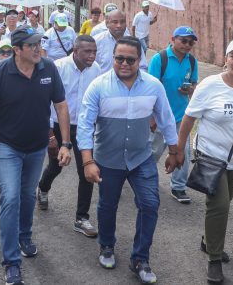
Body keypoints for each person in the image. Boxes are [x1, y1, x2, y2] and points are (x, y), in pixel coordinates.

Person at [77, 36, 177, 284]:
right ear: (113, 58)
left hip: (140, 159)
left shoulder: (153, 86)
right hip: (107, 160)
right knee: (108, 205)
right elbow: (85, 125)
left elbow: (166, 118)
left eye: (130, 59)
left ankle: (140, 259)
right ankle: (107, 246)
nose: (124, 63)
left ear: (140, 60)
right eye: (119, 58)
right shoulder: (99, 86)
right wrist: (88, 162)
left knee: (150, 204)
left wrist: (175, 151)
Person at [0, 25, 72, 285]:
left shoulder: (48, 68)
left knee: (28, 195)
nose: (37, 49)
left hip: (37, 146)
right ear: (16, 50)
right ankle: (11, 262)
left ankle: (25, 235)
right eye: (31, 45)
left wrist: (66, 143)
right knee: (10, 198)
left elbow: (61, 106)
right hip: (6, 146)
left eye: (39, 44)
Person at [174, 38, 233, 284]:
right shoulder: (209, 85)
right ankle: (214, 259)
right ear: (225, 59)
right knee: (220, 207)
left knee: (224, 203)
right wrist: (178, 150)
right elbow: (188, 119)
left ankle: (209, 241)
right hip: (210, 156)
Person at [37, 35, 101, 237]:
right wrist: (50, 135)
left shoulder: (96, 70)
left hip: (84, 127)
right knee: (56, 166)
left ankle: (82, 218)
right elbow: (46, 101)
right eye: (87, 51)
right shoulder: (58, 67)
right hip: (57, 126)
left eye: (94, 51)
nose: (92, 56)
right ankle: (43, 189)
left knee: (87, 171)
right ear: (75, 50)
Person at [147, 26, 199, 204]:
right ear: (173, 39)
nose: (187, 45)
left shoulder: (192, 61)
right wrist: (152, 117)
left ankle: (178, 186)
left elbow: (194, 85)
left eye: (190, 42)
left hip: (181, 117)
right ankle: (144, 180)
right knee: (153, 152)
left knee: (182, 152)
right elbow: (150, 88)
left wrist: (189, 89)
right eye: (183, 40)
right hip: (160, 116)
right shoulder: (159, 59)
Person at [94, 9, 147, 75]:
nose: (119, 25)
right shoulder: (97, 41)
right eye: (115, 22)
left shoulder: (134, 43)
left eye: (122, 22)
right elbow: (91, 67)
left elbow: (143, 67)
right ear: (107, 24)